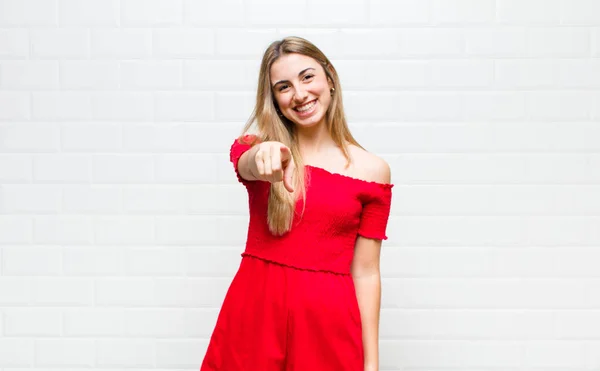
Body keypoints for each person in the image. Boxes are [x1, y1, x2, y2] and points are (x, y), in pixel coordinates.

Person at [200, 36, 393, 371]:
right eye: (283, 86)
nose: (300, 94)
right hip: (255, 318)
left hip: (328, 326)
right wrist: (263, 154)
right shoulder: (259, 150)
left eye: (307, 77)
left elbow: (366, 272)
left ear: (329, 79)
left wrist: (371, 364)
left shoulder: (373, 171)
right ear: (274, 98)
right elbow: (247, 162)